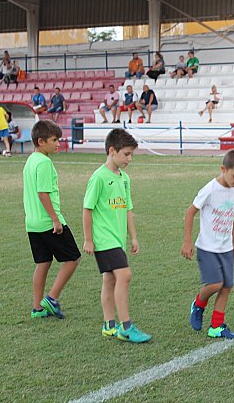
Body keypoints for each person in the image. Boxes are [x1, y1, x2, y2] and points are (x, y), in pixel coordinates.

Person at [82, 129, 152, 343]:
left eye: (131, 155)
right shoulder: (99, 177)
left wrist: (133, 236)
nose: (129, 159)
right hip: (104, 239)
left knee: (110, 279)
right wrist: (88, 239)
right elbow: (87, 209)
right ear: (112, 151)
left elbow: (128, 209)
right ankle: (126, 326)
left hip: (117, 239)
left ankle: (109, 325)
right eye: (126, 154)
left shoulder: (124, 179)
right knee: (124, 275)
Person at [182, 149, 234, 339]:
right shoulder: (210, 189)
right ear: (223, 169)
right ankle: (198, 304)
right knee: (215, 284)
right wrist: (187, 241)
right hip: (207, 247)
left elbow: (232, 219)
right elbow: (190, 213)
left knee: (227, 285)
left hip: (226, 248)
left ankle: (217, 326)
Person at [23, 120, 81, 319]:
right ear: (41, 141)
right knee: (73, 258)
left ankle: (37, 308)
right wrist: (56, 220)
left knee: (43, 262)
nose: (58, 144)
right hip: (49, 222)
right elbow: (43, 194)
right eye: (55, 140)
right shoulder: (45, 163)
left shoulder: (31, 160)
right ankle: (51, 298)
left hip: (32, 222)